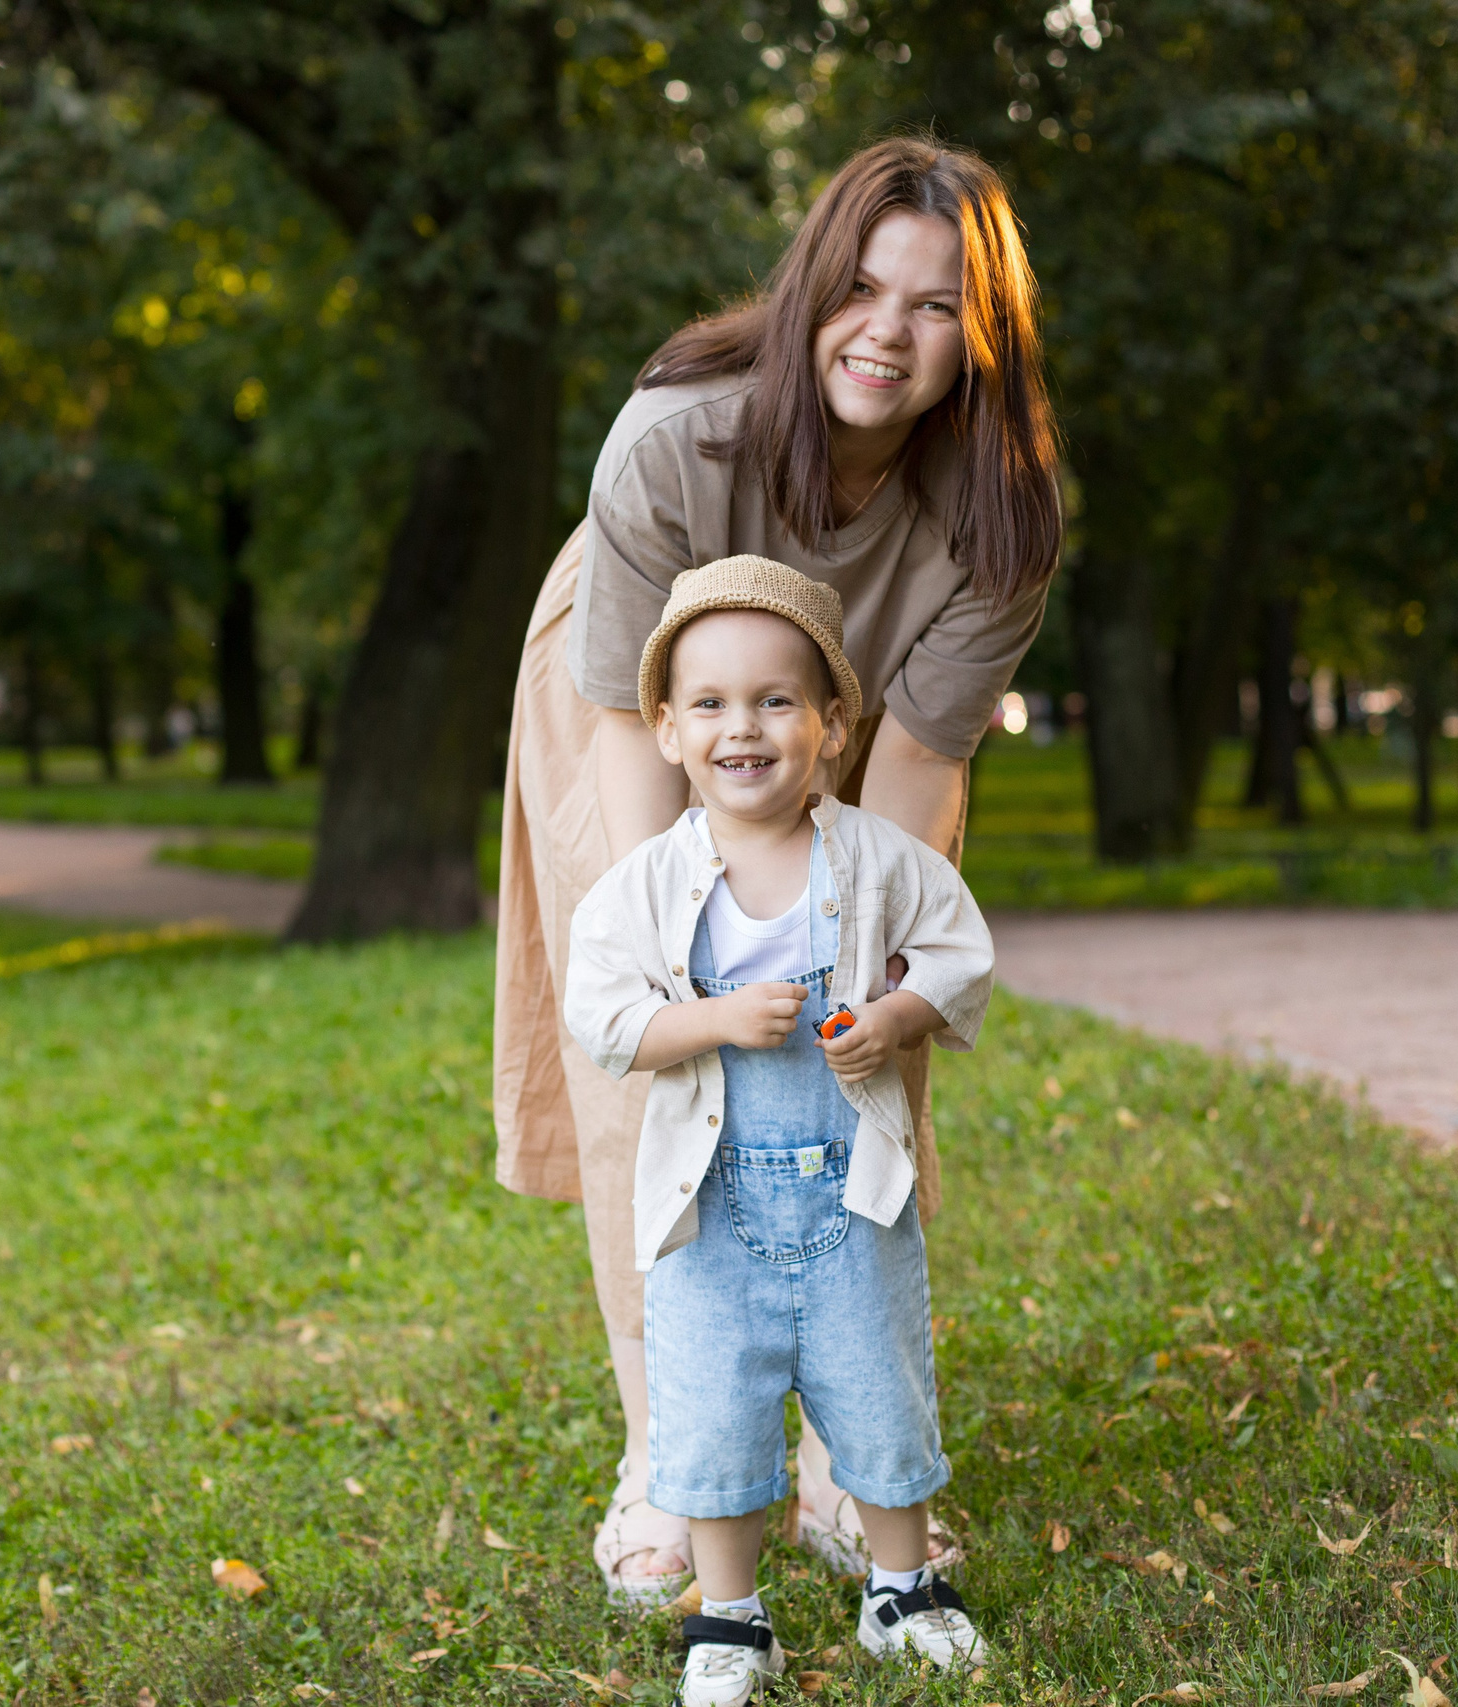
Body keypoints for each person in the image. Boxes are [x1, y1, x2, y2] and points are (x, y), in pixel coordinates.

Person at [492, 135, 1061, 1600]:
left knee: (865, 1029)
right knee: (666, 1044)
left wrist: (878, 947)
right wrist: (670, 932)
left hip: (841, 701)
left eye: (937, 305)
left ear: (982, 333)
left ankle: (855, 1462)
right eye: (862, 289)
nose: (889, 329)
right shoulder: (680, 434)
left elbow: (922, 762)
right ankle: (672, 1454)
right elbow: (630, 710)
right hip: (644, 695)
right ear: (811, 289)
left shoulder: (1001, 517)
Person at [563, 558, 997, 1705]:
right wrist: (706, 1019)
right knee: (711, 1409)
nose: (740, 728)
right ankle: (729, 1616)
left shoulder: (876, 860)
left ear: (832, 723)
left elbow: (959, 953)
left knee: (878, 1385)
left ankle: (901, 1587)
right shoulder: (645, 887)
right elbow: (600, 1015)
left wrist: (896, 1017)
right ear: (664, 730)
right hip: (711, 1209)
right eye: (707, 704)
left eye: (773, 700)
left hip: (853, 1193)